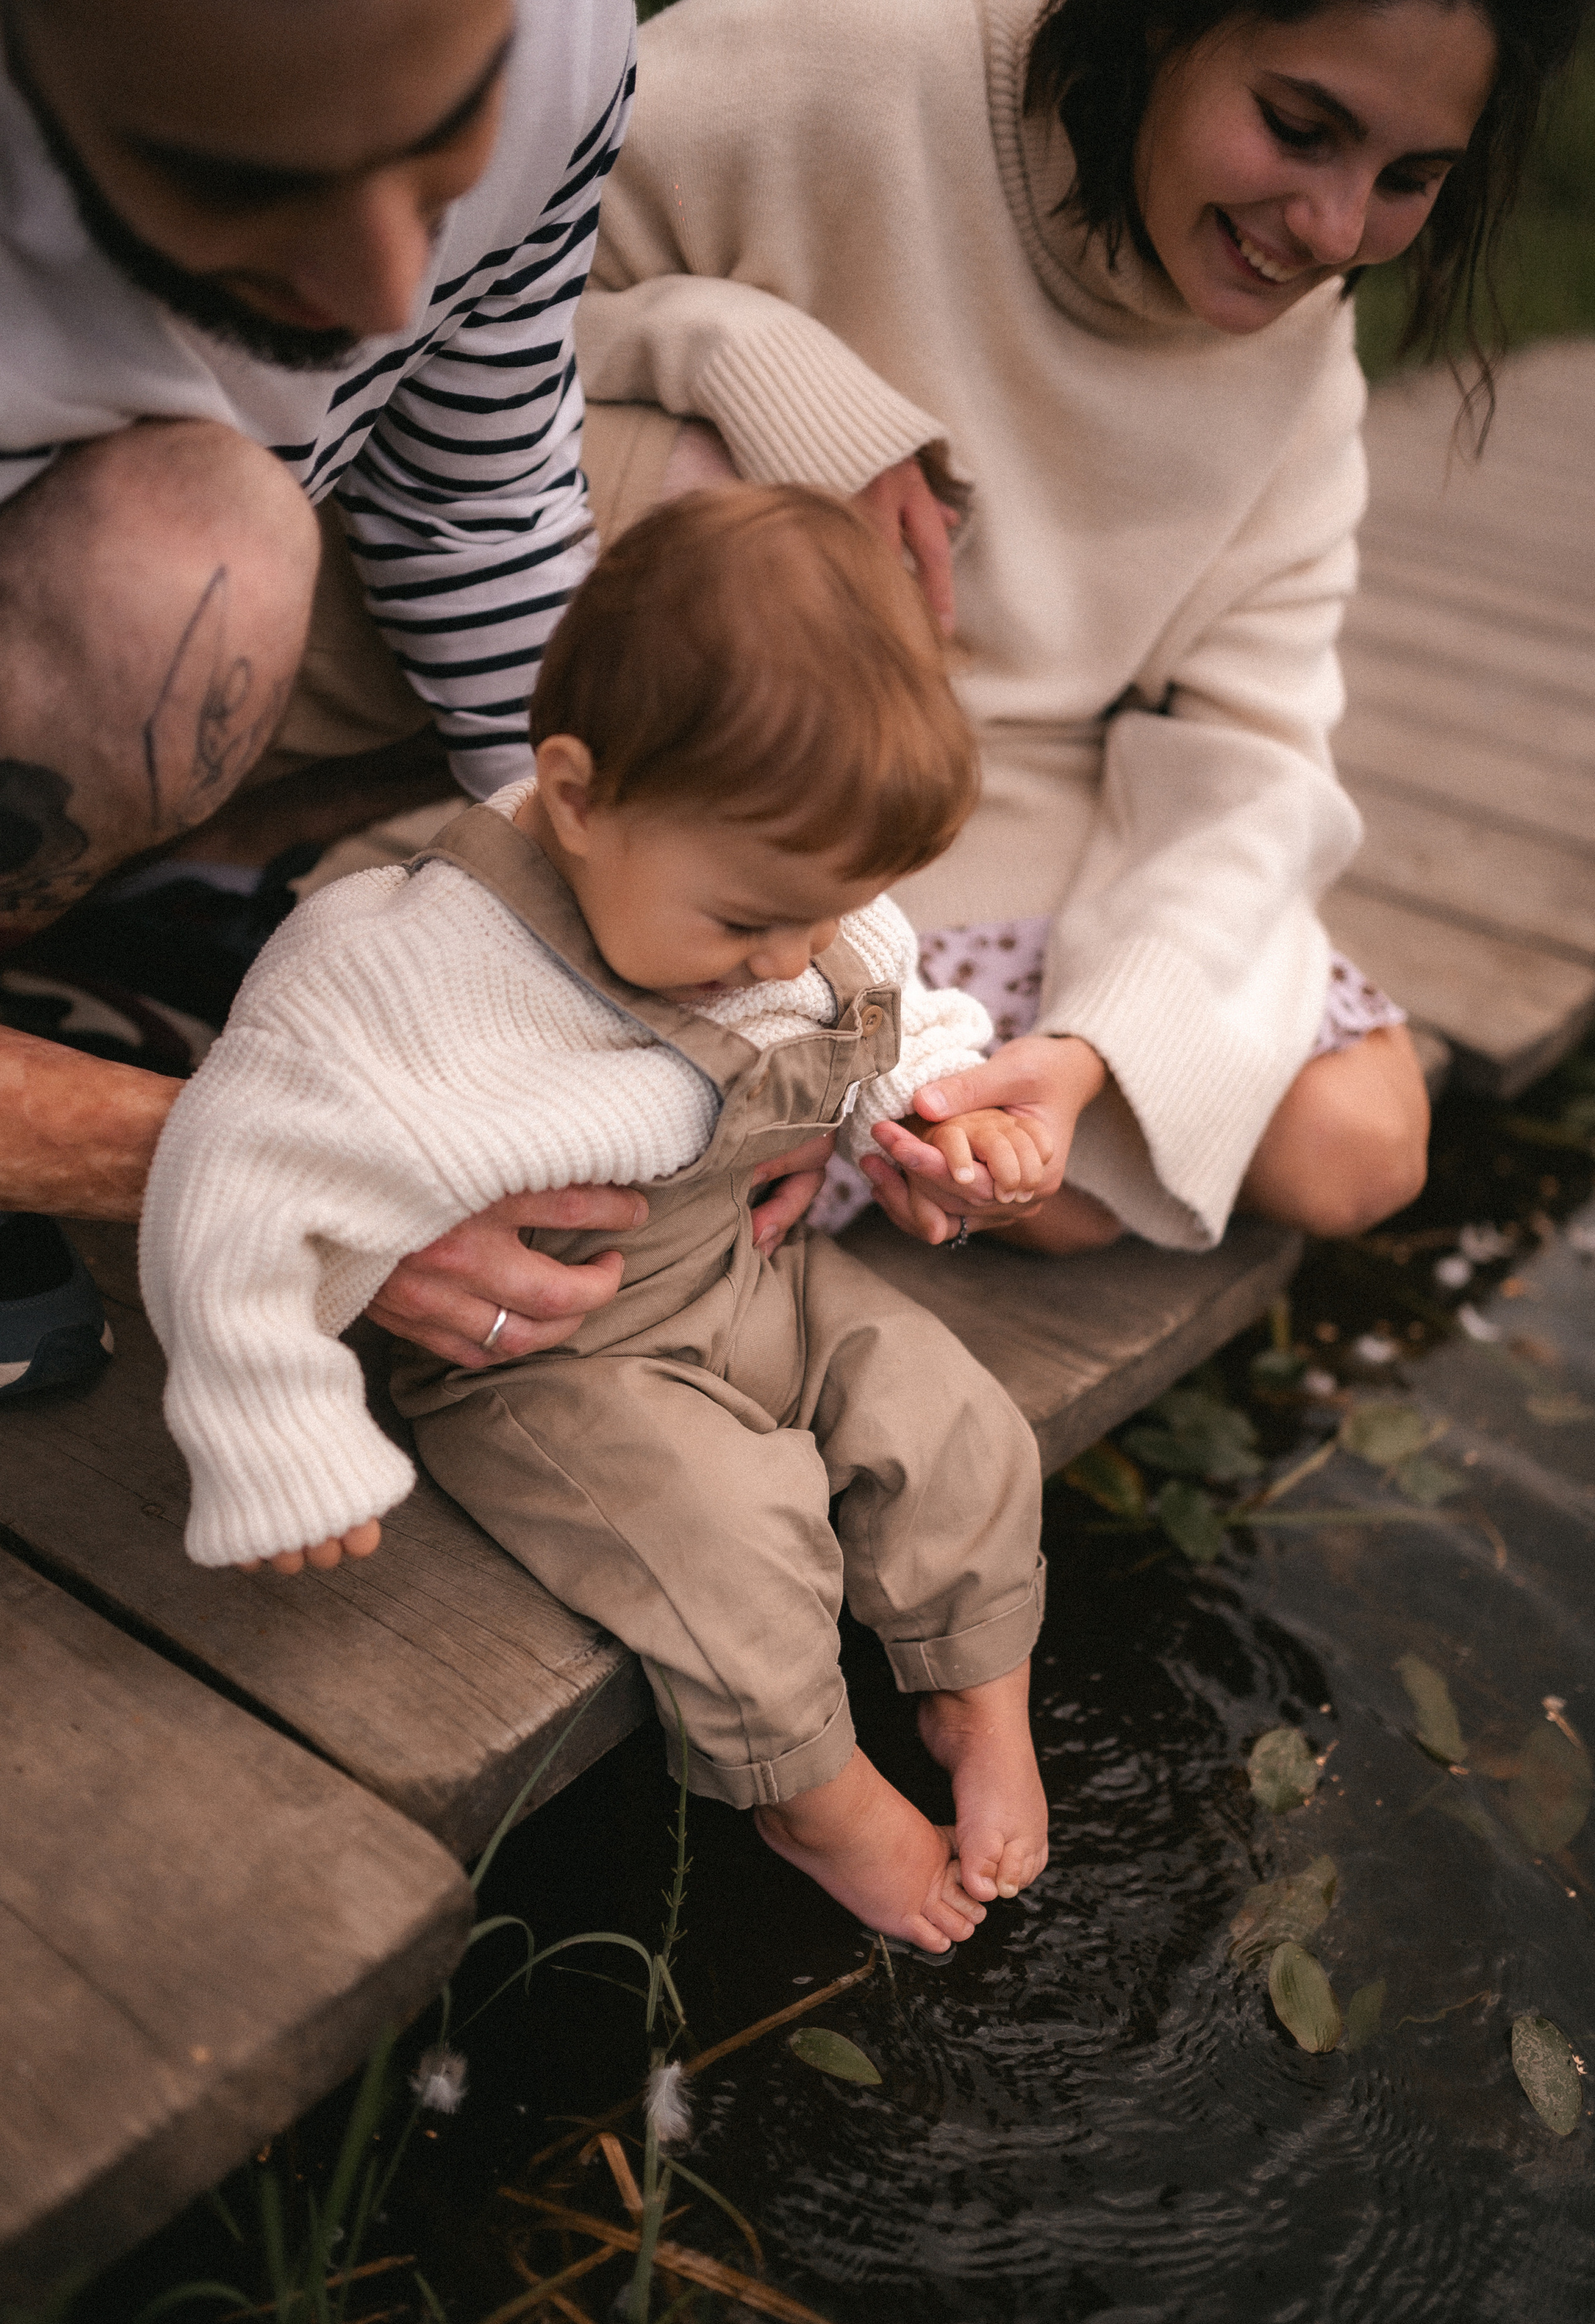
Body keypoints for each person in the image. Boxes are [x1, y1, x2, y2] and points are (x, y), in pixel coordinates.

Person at [140, 488, 1054, 1953]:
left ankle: (972, 1681)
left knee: (953, 1413)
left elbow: (888, 1002)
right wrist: (273, 1419)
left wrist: (953, 1112)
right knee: (731, 1534)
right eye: (748, 923)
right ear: (573, 795)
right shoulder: (411, 969)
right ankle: (809, 1792)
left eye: (816, 918)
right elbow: (232, 1161)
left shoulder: (780, 893)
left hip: (746, 1274)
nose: (780, 958)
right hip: (556, 1358)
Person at [575, 0, 1581, 1259]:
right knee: (717, 501)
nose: (1331, 231)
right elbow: (453, 311)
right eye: (1297, 127)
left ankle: (864, 1119)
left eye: (1409, 178)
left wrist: (1094, 1051)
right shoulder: (845, 62)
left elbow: (1259, 747)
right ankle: (783, 1084)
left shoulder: (1300, 343)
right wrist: (731, 352)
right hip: (699, 776)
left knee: (1358, 1138)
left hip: (1003, 800)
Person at [0, 0, 836, 1402]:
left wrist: (723, 965)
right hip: (120, 579)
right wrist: (282, 1169)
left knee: (707, 556)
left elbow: (478, 491)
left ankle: (113, 926)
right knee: (184, 571)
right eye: (243, 180)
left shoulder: (562, 36)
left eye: (447, 151)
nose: (390, 292)